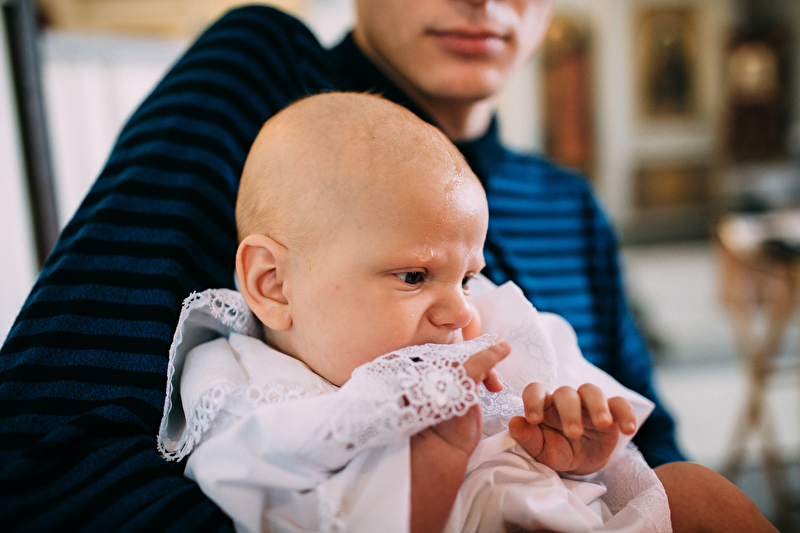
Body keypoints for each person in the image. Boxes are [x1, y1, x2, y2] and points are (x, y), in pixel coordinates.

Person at [0, 2, 770, 531]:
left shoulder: (569, 205)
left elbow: (652, 454)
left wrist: (589, 445)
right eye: (411, 275)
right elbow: (40, 454)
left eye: (465, 274)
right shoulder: (268, 93)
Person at [157, 92, 773, 533]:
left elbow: (607, 454)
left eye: (469, 276)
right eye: (413, 277)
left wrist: (580, 454)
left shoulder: (491, 327)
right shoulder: (248, 395)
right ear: (273, 284)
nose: (458, 310)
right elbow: (276, 513)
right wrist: (434, 468)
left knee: (698, 493)